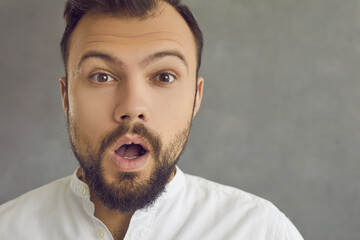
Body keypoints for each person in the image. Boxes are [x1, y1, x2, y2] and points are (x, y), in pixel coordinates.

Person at [0, 0, 303, 239]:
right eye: (102, 76)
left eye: (164, 76)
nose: (132, 107)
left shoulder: (261, 231)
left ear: (196, 98)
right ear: (66, 98)